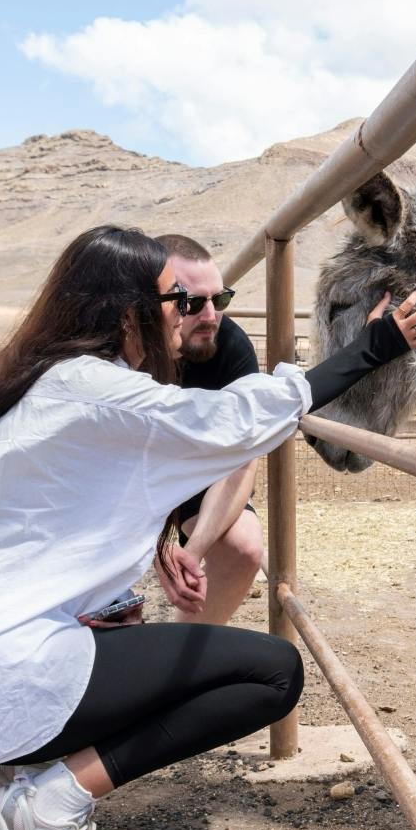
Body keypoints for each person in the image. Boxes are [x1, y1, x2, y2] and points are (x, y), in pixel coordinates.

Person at [0, 224, 416, 830]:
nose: (186, 318)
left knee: (161, 642)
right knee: (272, 674)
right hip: (3, 672)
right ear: (130, 313)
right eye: (173, 302)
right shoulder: (97, 389)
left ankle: (22, 773)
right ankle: (54, 800)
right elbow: (233, 423)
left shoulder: (58, 379)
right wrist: (375, 346)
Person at [149, 233, 269, 626]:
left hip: (196, 466)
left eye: (220, 299)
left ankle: (178, 662)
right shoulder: (124, 349)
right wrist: (152, 546)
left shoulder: (230, 345)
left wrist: (191, 551)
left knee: (244, 547)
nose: (211, 316)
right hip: (128, 472)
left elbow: (242, 456)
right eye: (193, 303)